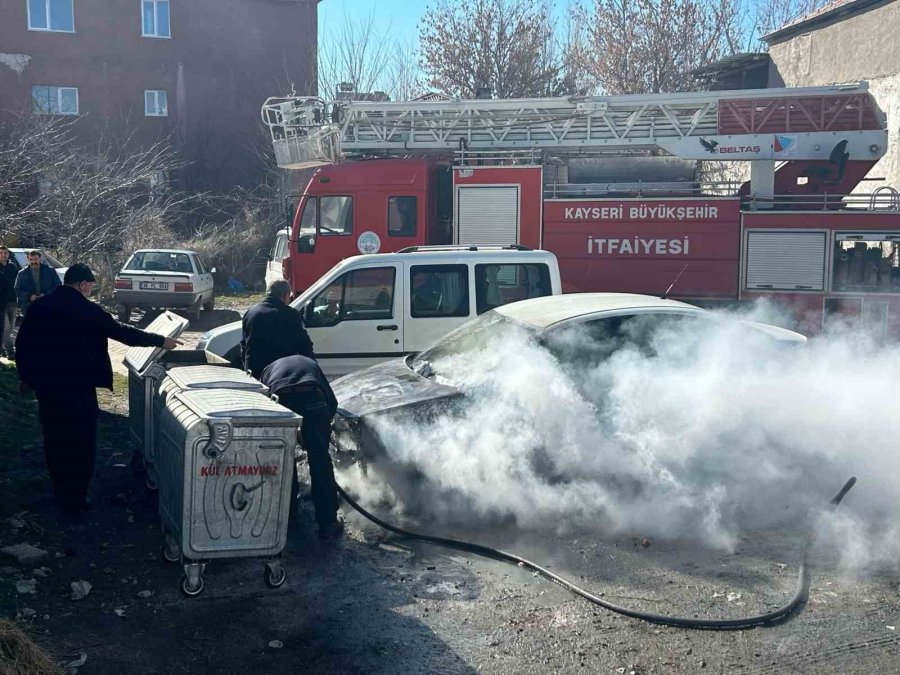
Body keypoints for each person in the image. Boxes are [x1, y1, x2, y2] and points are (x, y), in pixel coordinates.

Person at [15, 263, 180, 514]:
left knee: (54, 437)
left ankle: (59, 489)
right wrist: (161, 340)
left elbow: (23, 344)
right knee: (82, 442)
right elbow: (123, 333)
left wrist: (25, 377)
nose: (91, 290)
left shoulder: (39, 306)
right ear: (82, 285)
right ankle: (77, 497)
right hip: (79, 388)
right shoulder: (88, 310)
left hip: (47, 387)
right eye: (90, 286)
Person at [260, 354, 343, 539]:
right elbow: (332, 401)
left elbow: (262, 406)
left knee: (283, 460)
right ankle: (328, 522)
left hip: (279, 398)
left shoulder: (268, 370)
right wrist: (319, 434)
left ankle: (287, 513)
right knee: (320, 461)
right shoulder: (310, 363)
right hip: (313, 395)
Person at [241, 278, 314, 378]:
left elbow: (243, 346)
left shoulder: (250, 313)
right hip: (280, 375)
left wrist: (247, 368)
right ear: (285, 296)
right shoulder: (291, 315)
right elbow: (304, 346)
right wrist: (313, 369)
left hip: (254, 375)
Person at [14, 250, 60, 315]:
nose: (33, 262)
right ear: (28, 259)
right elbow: (17, 290)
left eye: (36, 259)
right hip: (28, 307)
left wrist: (46, 294)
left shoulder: (50, 271)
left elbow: (57, 286)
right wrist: (29, 296)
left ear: (40, 258)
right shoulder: (22, 274)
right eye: (31, 259)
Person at [0, 246, 17, 358]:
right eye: (1, 253)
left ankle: (3, 348)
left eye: (5, 253)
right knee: (5, 328)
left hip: (13, 301)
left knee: (10, 327)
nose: (3, 255)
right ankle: (10, 352)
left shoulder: (12, 267)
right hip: (1, 302)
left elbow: (18, 283)